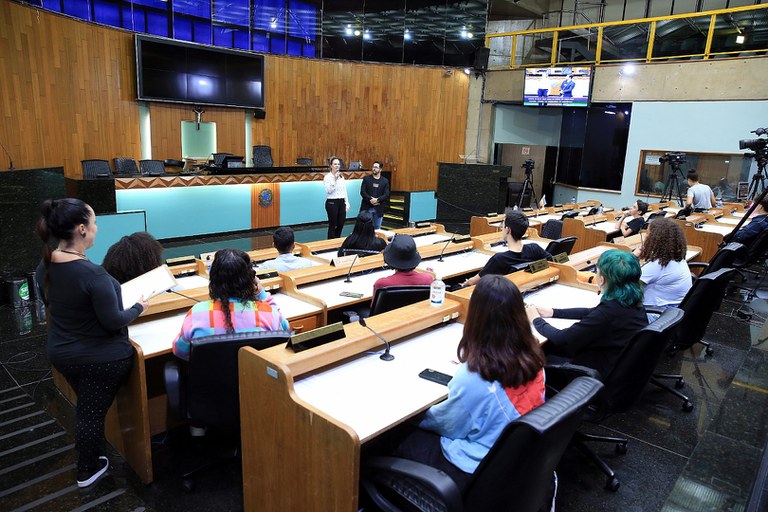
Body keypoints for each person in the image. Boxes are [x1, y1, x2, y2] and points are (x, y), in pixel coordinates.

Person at [35, 198, 148, 488]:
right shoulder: (93, 275)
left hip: (62, 352)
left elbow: (51, 302)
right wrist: (138, 307)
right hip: (100, 359)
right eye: (95, 223)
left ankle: (90, 451)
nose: (97, 228)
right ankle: (87, 470)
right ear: (82, 229)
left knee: (87, 408)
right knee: (90, 414)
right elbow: (113, 320)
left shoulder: (44, 265)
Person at [393, 275, 545, 486]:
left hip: (476, 465)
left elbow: (448, 425)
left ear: (476, 316)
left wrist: (409, 414)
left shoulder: (474, 376)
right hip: (514, 455)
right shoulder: (534, 356)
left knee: (397, 438)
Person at [525, 249, 647, 379]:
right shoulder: (630, 300)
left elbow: (562, 338)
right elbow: (592, 312)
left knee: (537, 352)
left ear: (602, 279)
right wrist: (553, 312)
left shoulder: (608, 313)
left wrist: (536, 319)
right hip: (617, 368)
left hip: (591, 374)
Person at [172, 248, 290, 361]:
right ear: (251, 280)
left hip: (210, 381)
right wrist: (261, 294)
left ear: (213, 280)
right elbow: (284, 333)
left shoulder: (197, 313)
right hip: (255, 380)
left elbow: (180, 352)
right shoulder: (268, 313)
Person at [461, 209, 551, 287]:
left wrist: (464, 284)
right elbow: (553, 261)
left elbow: (473, 282)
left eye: (503, 226)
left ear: (508, 230)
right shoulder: (535, 249)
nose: (501, 229)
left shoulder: (499, 259)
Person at [635, 218, 692, 309]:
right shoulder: (675, 257)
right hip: (674, 310)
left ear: (655, 239)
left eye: (647, 234)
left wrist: (633, 257)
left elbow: (627, 282)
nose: (645, 237)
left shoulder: (658, 265)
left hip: (657, 313)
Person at [324, 156, 350, 239]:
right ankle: (330, 243)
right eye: (335, 164)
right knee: (333, 225)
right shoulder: (327, 177)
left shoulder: (342, 177)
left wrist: (347, 203)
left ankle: (337, 241)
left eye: (338, 164)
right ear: (331, 166)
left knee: (341, 224)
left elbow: (344, 191)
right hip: (332, 202)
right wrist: (334, 180)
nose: (337, 166)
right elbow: (329, 190)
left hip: (341, 202)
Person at [360, 160, 390, 230]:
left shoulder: (385, 181)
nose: (374, 169)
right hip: (367, 207)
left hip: (379, 209)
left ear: (380, 169)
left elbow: (386, 194)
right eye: (373, 167)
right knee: (364, 228)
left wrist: (377, 200)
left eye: (376, 167)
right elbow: (362, 192)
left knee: (377, 228)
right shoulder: (366, 179)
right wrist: (370, 199)